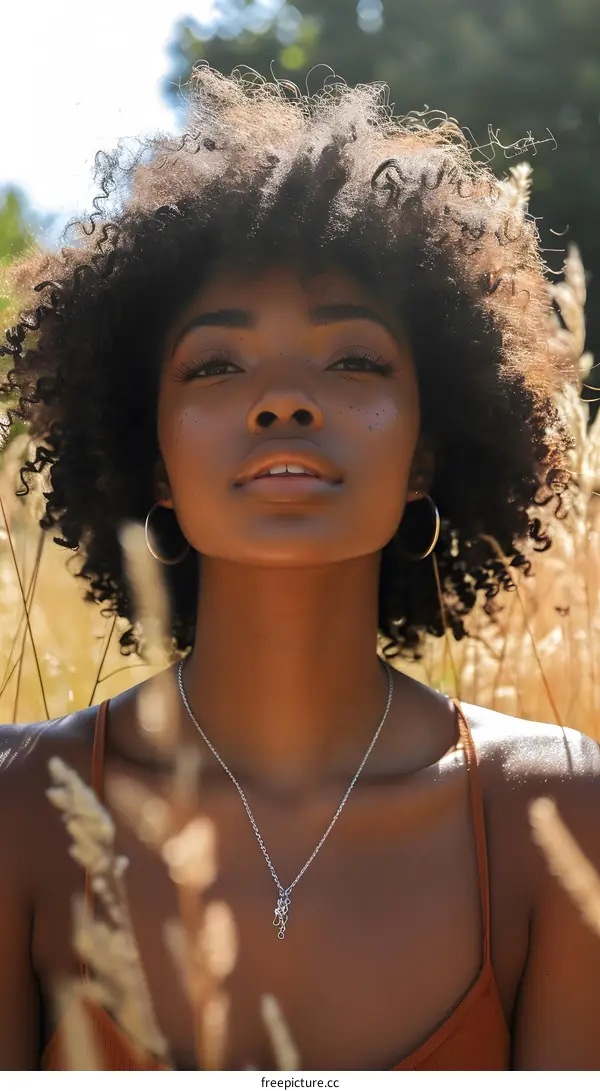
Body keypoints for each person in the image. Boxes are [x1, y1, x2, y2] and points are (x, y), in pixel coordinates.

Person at [0, 64, 599, 1072]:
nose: (283, 401)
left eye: (353, 361)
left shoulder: (558, 811)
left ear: (428, 451)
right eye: (218, 366)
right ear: (148, 454)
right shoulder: (18, 806)